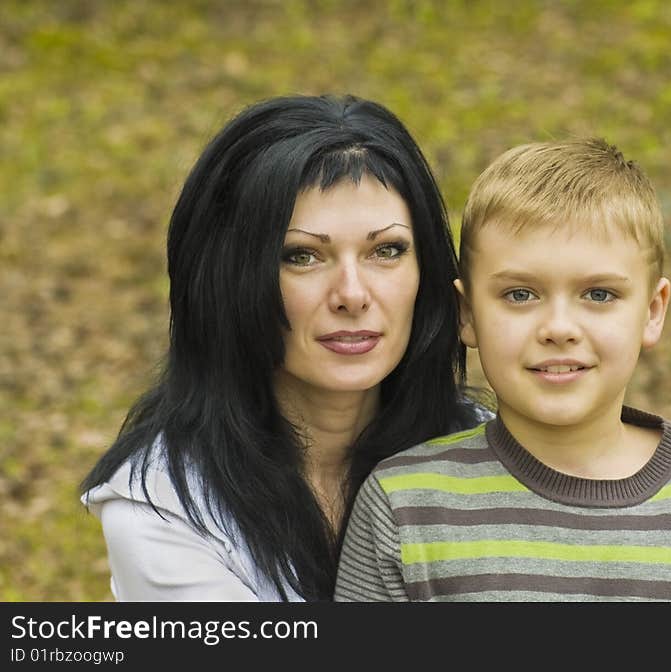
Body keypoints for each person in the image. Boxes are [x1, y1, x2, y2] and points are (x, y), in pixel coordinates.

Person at [80, 94, 491, 602]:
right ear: (230, 279)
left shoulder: (495, 456)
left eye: (386, 250)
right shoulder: (163, 510)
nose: (353, 294)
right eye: (302, 256)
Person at [334, 138, 671, 602]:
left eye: (599, 294)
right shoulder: (404, 504)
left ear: (652, 310)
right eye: (520, 294)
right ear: (467, 314)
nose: (559, 328)